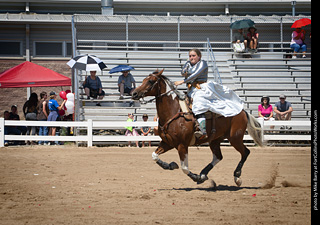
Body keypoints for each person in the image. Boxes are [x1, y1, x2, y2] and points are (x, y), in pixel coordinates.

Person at [174, 48, 244, 138]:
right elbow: (182, 72)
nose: (191, 58)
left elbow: (195, 75)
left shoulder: (203, 63)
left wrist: (182, 81)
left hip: (201, 88)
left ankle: (202, 129)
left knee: (199, 103)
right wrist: (187, 65)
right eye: (190, 56)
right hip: (191, 89)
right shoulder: (188, 63)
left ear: (199, 56)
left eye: (193, 56)